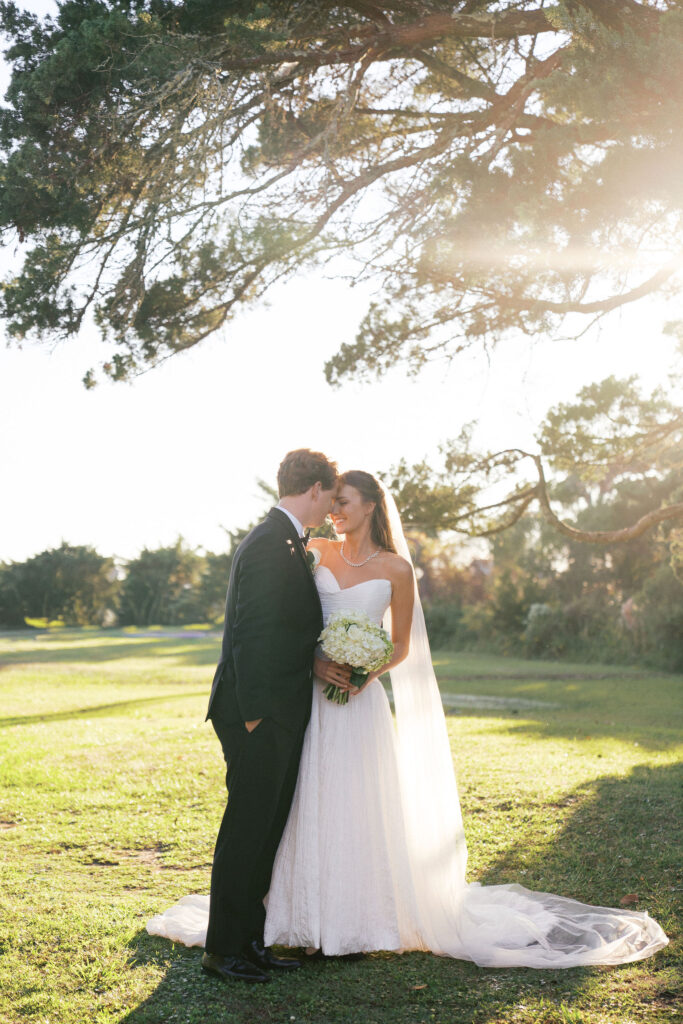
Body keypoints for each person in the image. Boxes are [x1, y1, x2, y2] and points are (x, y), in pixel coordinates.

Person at [148, 469, 669, 970]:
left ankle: (351, 922)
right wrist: (315, 660)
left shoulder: (397, 569)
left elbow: (401, 645)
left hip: (358, 701)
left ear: (370, 505)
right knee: (304, 805)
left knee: (356, 807)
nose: (334, 512)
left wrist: (364, 670)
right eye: (331, 502)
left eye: (343, 503)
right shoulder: (310, 552)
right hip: (305, 701)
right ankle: (297, 920)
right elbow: (285, 623)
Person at [174, 449, 343, 984]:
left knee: (266, 828)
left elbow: (285, 630)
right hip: (258, 712)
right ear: (314, 489)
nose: (330, 507)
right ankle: (221, 950)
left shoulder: (287, 539)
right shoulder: (272, 542)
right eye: (330, 496)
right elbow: (249, 635)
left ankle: (250, 940)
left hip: (277, 708)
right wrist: (253, 716)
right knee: (247, 829)